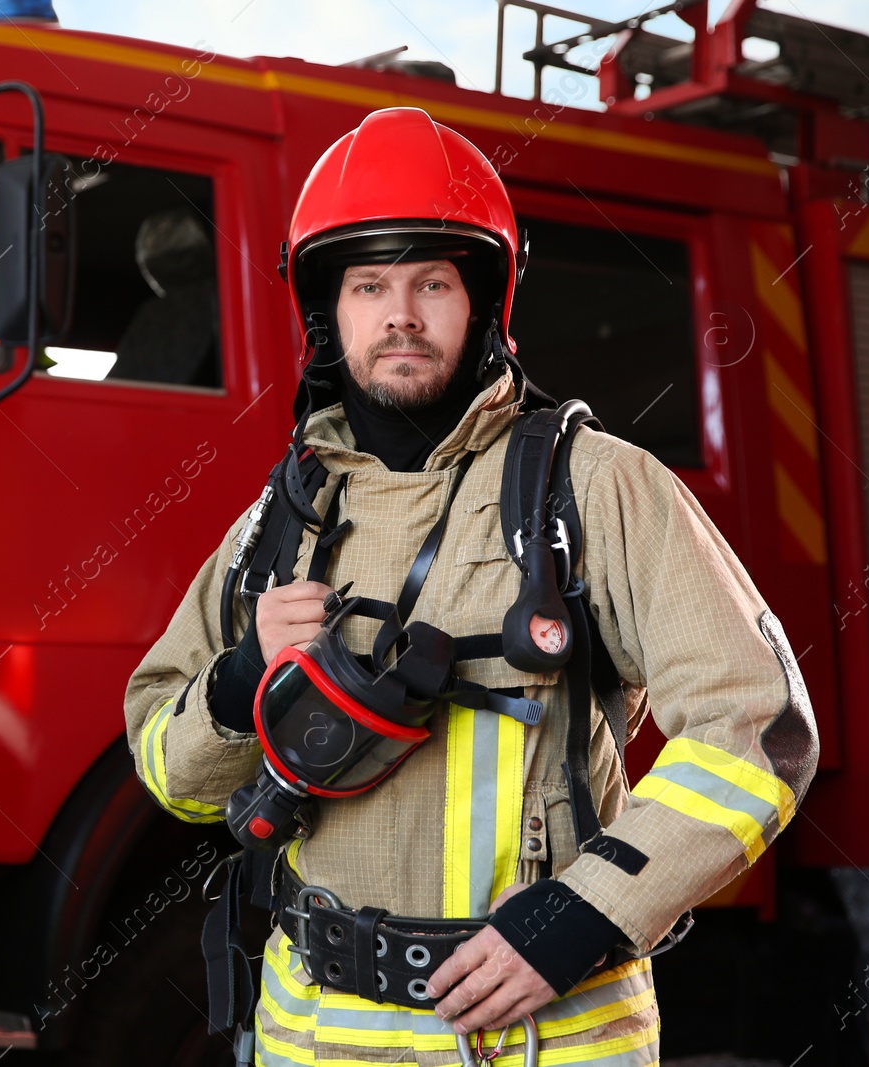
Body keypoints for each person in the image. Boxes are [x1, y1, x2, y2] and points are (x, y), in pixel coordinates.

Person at [122, 107, 817, 1065]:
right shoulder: (278, 522)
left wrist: (585, 914)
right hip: (310, 1037)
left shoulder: (595, 485)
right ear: (330, 314)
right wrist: (243, 680)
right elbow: (168, 772)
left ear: (484, 303)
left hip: (543, 1038)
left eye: (432, 281)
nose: (400, 313)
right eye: (369, 285)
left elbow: (760, 726)